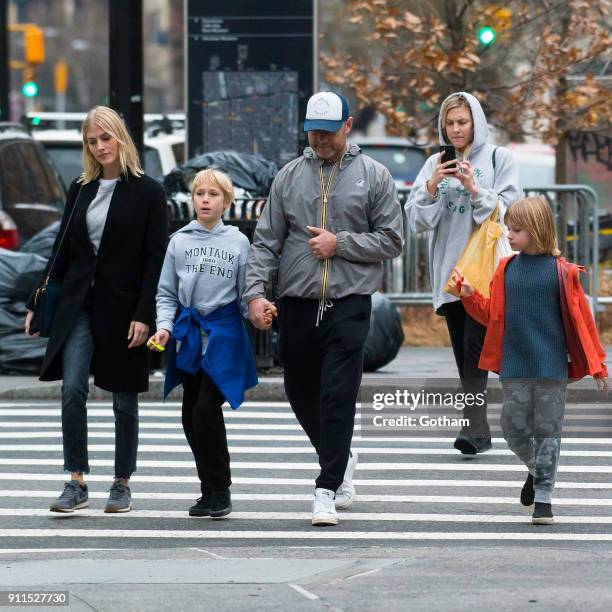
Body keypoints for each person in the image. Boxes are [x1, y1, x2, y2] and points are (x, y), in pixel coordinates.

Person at [244, 91, 403, 526]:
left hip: (349, 303)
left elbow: (393, 239)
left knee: (337, 395)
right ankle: (341, 454)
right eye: (313, 131)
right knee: (299, 392)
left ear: (348, 127)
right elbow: (266, 241)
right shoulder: (289, 176)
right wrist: (256, 294)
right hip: (296, 303)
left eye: (329, 132)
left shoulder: (374, 175)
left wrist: (341, 244)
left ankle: (326, 487)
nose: (320, 139)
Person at [25, 106, 168, 513]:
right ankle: (75, 480)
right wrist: (39, 301)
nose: (100, 147)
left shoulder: (148, 191)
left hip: (124, 308)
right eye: (92, 141)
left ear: (120, 137)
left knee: (124, 398)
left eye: (106, 138)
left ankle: (121, 482)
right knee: (72, 389)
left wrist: (145, 314)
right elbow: (61, 251)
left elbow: (155, 259)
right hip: (79, 304)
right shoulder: (80, 188)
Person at [451, 196, 608, 524]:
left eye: (516, 229)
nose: (509, 234)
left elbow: (583, 322)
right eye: (509, 227)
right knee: (512, 427)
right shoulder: (506, 268)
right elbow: (492, 313)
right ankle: (537, 471)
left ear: (536, 230)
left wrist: (598, 366)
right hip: (513, 365)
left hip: (551, 367)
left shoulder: (562, 272)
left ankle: (544, 499)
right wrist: (470, 296)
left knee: (547, 430)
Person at [405, 91, 523, 455]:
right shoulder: (435, 162)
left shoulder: (499, 158)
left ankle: (474, 427)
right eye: (450, 123)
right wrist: (431, 187)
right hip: (451, 271)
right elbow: (416, 221)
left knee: (475, 342)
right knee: (463, 350)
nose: (456, 130)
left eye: (462, 122)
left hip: (487, 271)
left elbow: (511, 213)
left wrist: (475, 189)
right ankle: (480, 428)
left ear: (476, 122)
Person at [147, 169, 259, 519]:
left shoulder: (238, 242)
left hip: (223, 334)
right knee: (189, 417)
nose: (205, 200)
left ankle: (221, 489)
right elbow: (166, 293)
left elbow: (246, 293)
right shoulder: (179, 241)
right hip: (190, 335)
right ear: (192, 199)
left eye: (213, 194)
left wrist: (259, 310)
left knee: (205, 410)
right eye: (199, 194)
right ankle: (207, 489)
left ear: (226, 201)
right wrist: (164, 328)